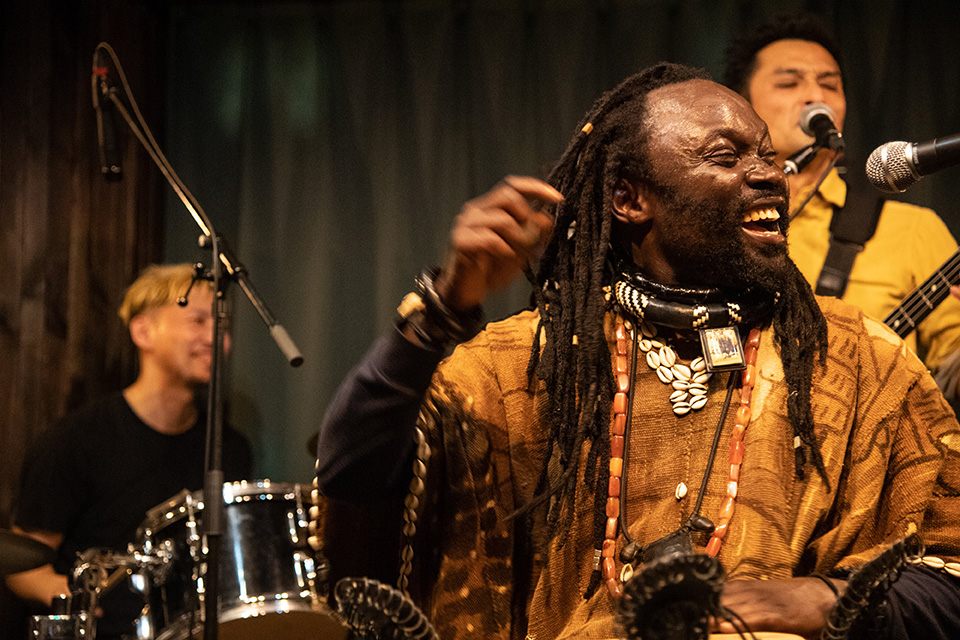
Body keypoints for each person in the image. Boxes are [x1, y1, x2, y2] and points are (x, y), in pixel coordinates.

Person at [315, 64, 960, 639]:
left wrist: (818, 598)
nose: (769, 173)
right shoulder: (517, 367)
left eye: (767, 155)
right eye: (726, 156)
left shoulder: (859, 360)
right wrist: (441, 314)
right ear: (629, 199)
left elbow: (950, 569)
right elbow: (354, 482)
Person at [7, 263, 253, 639]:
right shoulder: (76, 441)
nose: (216, 339)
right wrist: (76, 599)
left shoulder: (230, 449)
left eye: (222, 326)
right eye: (199, 321)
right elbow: (23, 562)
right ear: (143, 331)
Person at [721, 13, 960, 399]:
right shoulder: (710, 224)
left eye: (829, 84)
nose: (815, 96)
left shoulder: (915, 229)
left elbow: (951, 375)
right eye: (789, 82)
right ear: (740, 107)